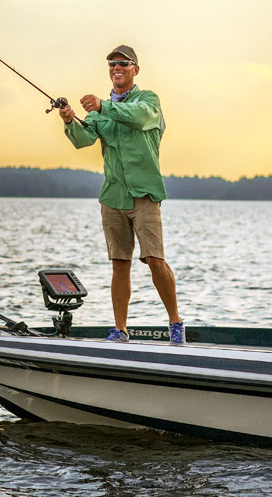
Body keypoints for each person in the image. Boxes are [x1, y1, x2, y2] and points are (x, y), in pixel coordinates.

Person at [57, 45, 184, 345]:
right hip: (112, 197)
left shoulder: (148, 101)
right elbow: (83, 138)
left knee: (155, 259)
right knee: (119, 263)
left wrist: (102, 106)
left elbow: (138, 117)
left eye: (123, 63)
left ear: (135, 69)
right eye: (112, 64)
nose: (117, 68)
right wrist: (68, 119)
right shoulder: (100, 111)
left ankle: (176, 323)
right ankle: (120, 330)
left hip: (145, 196)